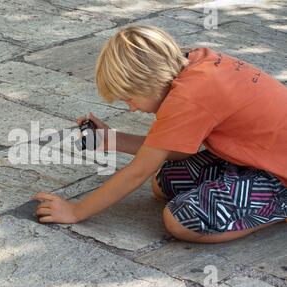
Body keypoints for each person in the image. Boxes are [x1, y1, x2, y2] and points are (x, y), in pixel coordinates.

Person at [33, 25, 287, 243]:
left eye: (130, 98)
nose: (131, 108)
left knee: (181, 220)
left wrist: (77, 211)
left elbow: (138, 171)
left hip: (280, 172)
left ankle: (280, 206)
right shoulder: (193, 65)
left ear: (152, 81)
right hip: (260, 155)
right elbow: (173, 149)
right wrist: (113, 140)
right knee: (164, 182)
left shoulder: (189, 98)